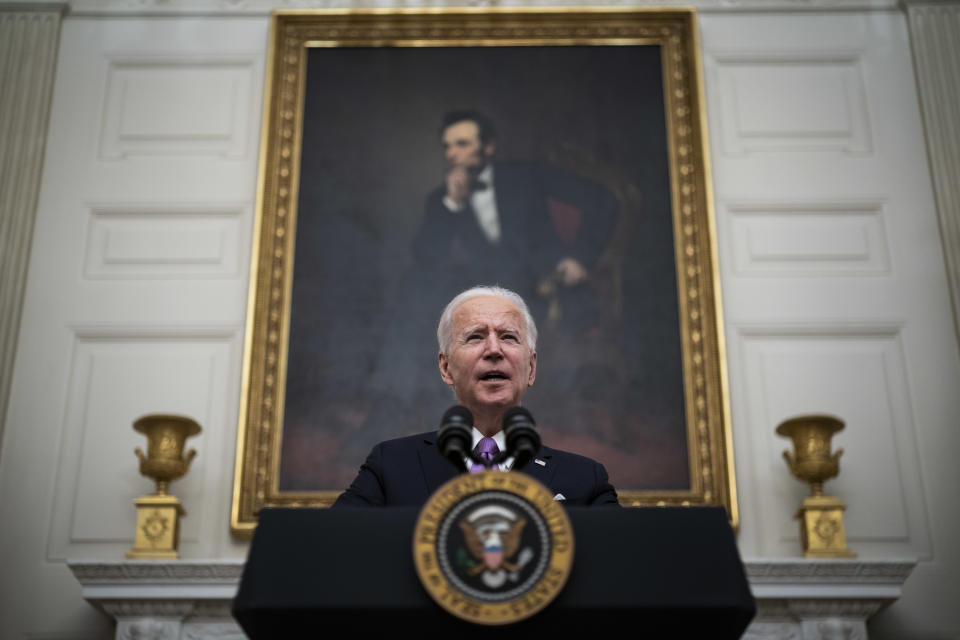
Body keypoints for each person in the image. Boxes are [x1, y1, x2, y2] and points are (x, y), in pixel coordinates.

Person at [333, 285, 620, 507]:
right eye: (475, 337)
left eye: (508, 336)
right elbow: (335, 542)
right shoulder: (391, 466)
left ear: (531, 368)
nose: (494, 350)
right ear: (446, 368)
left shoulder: (585, 480)